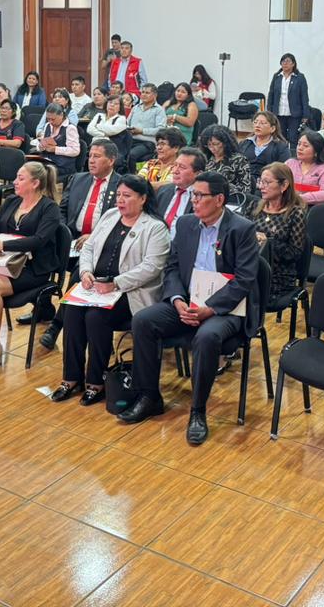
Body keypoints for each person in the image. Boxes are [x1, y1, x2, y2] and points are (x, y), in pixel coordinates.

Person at [118, 171, 261, 445]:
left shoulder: (241, 229)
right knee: (144, 321)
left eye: (200, 195)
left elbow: (244, 280)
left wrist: (210, 308)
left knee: (206, 337)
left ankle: (198, 410)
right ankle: (149, 396)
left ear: (219, 199)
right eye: (193, 195)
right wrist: (177, 299)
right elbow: (172, 267)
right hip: (188, 301)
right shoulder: (185, 224)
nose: (193, 200)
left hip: (226, 307)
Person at [51, 175, 170, 405]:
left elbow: (152, 268)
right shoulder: (110, 216)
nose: (120, 200)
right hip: (97, 287)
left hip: (131, 292)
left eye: (127, 196)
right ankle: (71, 378)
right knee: (72, 311)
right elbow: (89, 248)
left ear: (143, 198)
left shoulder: (155, 228)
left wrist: (115, 283)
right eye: (118, 195)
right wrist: (86, 272)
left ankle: (96, 382)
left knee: (96, 317)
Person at [0, 162, 63, 371]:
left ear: (35, 183)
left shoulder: (49, 208)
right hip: (5, 263)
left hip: (33, 269)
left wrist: (3, 245)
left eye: (21, 178)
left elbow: (39, 240)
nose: (15, 182)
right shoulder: (11, 201)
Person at [36, 139, 124, 350]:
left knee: (78, 273)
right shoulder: (78, 179)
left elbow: (121, 220)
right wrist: (65, 235)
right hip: (72, 238)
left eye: (97, 156)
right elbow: (62, 211)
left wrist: (93, 236)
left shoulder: (121, 185)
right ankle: (43, 307)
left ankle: (56, 326)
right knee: (39, 253)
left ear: (111, 160)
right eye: (90, 156)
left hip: (100, 245)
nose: (91, 160)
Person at [250, 163, 307, 308]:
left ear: (284, 185)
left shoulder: (296, 214)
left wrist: (268, 242)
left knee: (244, 292)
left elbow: (294, 253)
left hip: (278, 275)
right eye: (260, 181)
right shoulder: (254, 206)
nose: (261, 187)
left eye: (267, 182)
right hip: (250, 266)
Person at [200, 123, 254, 206]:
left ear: (225, 143)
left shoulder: (238, 160)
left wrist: (223, 185)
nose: (212, 148)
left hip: (230, 201)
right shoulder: (207, 159)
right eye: (208, 145)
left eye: (216, 144)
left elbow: (245, 189)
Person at [156, 147, 206, 231]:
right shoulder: (163, 191)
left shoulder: (202, 197)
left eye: (182, 167)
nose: (175, 171)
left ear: (198, 174)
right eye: (175, 165)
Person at [240, 111, 292, 189]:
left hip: (267, 186)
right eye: (255, 122)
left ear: (272, 128)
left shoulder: (281, 147)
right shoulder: (244, 143)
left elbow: (283, 170)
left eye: (262, 123)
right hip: (244, 183)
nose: (257, 125)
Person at [266, 53, 311, 140]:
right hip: (278, 113)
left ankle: (293, 149)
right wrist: (269, 111)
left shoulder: (300, 77)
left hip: (294, 114)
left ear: (293, 64)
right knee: (280, 137)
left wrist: (305, 115)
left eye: (288, 61)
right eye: (283, 61)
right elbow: (271, 94)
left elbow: (304, 97)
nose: (285, 63)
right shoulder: (276, 76)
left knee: (293, 137)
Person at [33, 103, 81, 180]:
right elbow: (41, 142)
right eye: (48, 119)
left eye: (53, 119)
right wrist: (41, 146)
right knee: (30, 169)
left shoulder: (70, 128)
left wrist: (55, 149)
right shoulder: (47, 125)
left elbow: (75, 151)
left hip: (63, 166)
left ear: (61, 115)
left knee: (39, 174)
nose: (50, 121)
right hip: (47, 161)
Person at [287, 129, 324, 205]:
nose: (300, 148)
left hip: (313, 208)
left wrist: (298, 199)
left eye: (305, 146)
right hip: (288, 205)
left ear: (316, 151)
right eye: (299, 144)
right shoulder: (290, 163)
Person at [127, 83, 166, 165]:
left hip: (147, 142)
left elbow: (160, 130)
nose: (144, 95)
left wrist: (141, 131)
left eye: (147, 93)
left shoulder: (159, 110)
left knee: (131, 155)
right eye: (143, 92)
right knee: (117, 152)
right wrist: (129, 129)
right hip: (131, 140)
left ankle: (132, 173)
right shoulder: (135, 108)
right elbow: (127, 123)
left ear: (155, 95)